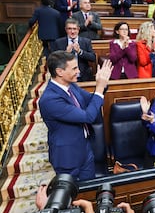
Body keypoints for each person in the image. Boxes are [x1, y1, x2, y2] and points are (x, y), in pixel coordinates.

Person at [39, 51, 112, 180]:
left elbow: (91, 99)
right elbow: (88, 116)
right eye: (74, 68)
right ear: (59, 71)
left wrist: (102, 84)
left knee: (89, 191)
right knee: (74, 197)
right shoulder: (50, 99)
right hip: (68, 157)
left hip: (85, 149)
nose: (78, 71)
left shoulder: (71, 86)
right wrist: (99, 88)